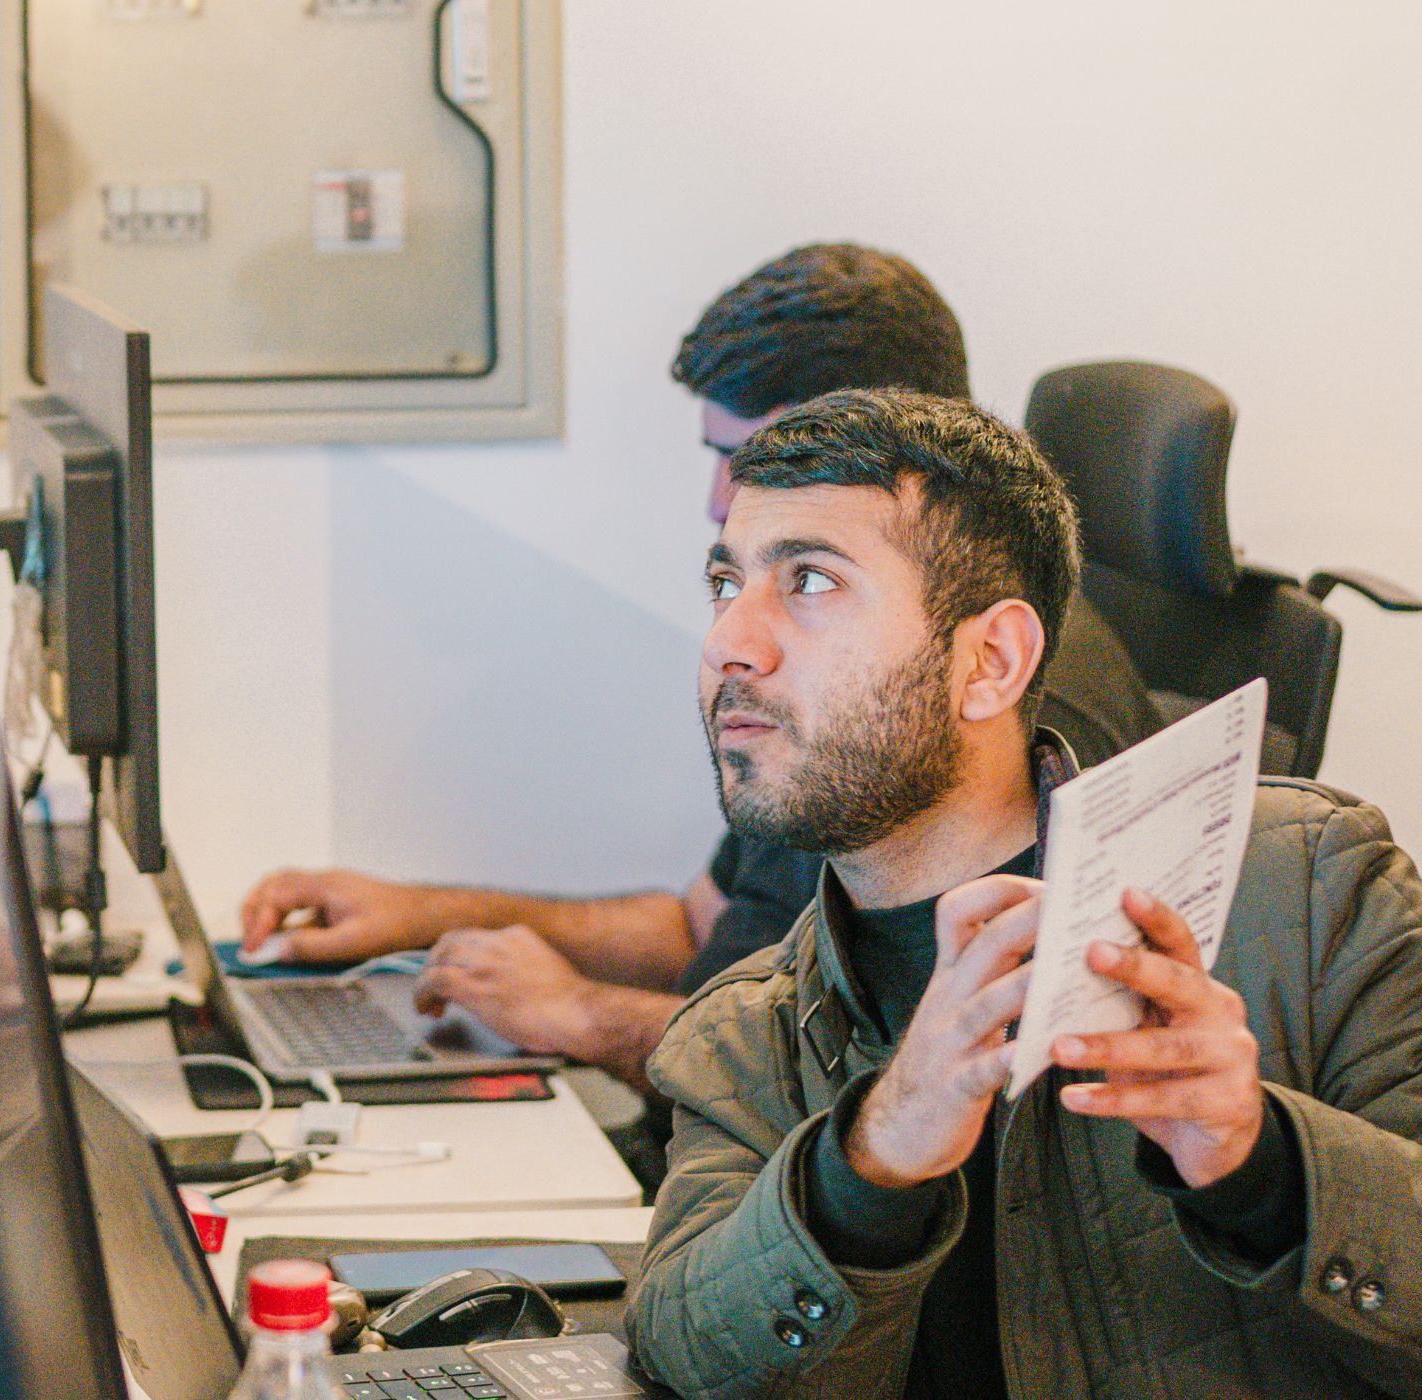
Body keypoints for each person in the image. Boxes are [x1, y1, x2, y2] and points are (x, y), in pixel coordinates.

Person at [628, 388, 1422, 1397]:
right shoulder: (739, 1039)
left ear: (990, 661)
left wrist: (1265, 1165)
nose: (729, 642)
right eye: (724, 582)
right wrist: (869, 1161)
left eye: (811, 580)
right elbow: (681, 1352)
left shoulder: (1312, 888)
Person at [237, 244, 1163, 1089]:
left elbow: (909, 1089)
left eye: (756, 457)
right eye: (729, 582)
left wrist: (586, 1016)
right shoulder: (818, 690)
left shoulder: (998, 711)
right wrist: (421, 917)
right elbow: (707, 927)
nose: (721, 497)